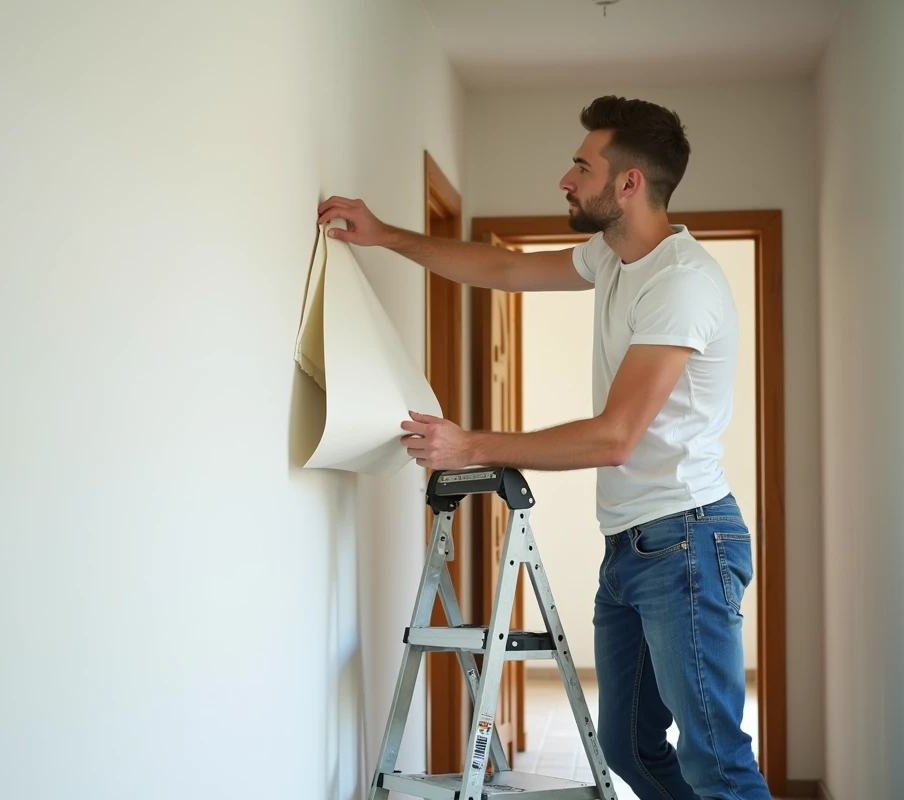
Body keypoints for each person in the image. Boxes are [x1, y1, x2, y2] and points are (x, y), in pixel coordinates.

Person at [317, 96, 769, 800]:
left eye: (582, 166)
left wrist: (470, 444)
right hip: (633, 543)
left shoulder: (681, 283)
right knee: (628, 748)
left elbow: (615, 437)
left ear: (629, 183)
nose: (566, 179)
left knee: (717, 763)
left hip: (687, 542)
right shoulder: (614, 257)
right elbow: (503, 271)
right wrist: (385, 236)